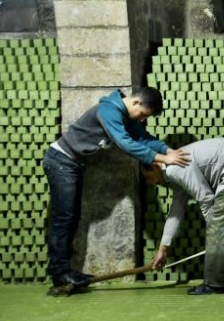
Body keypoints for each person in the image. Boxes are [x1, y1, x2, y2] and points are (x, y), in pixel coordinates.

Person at [43, 87, 190, 289]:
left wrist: (169, 150)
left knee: (72, 216)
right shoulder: (109, 111)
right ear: (136, 103)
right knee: (64, 218)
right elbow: (125, 143)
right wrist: (164, 159)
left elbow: (143, 138)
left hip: (72, 164)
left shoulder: (127, 117)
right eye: (143, 115)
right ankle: (59, 273)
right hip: (60, 161)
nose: (141, 120)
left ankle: (64, 271)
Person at [144, 138, 224, 295]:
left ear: (155, 166)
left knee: (220, 227)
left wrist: (215, 231)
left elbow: (205, 197)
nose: (152, 183)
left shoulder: (174, 168)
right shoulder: (173, 171)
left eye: (149, 177)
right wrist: (163, 249)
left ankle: (216, 284)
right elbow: (176, 211)